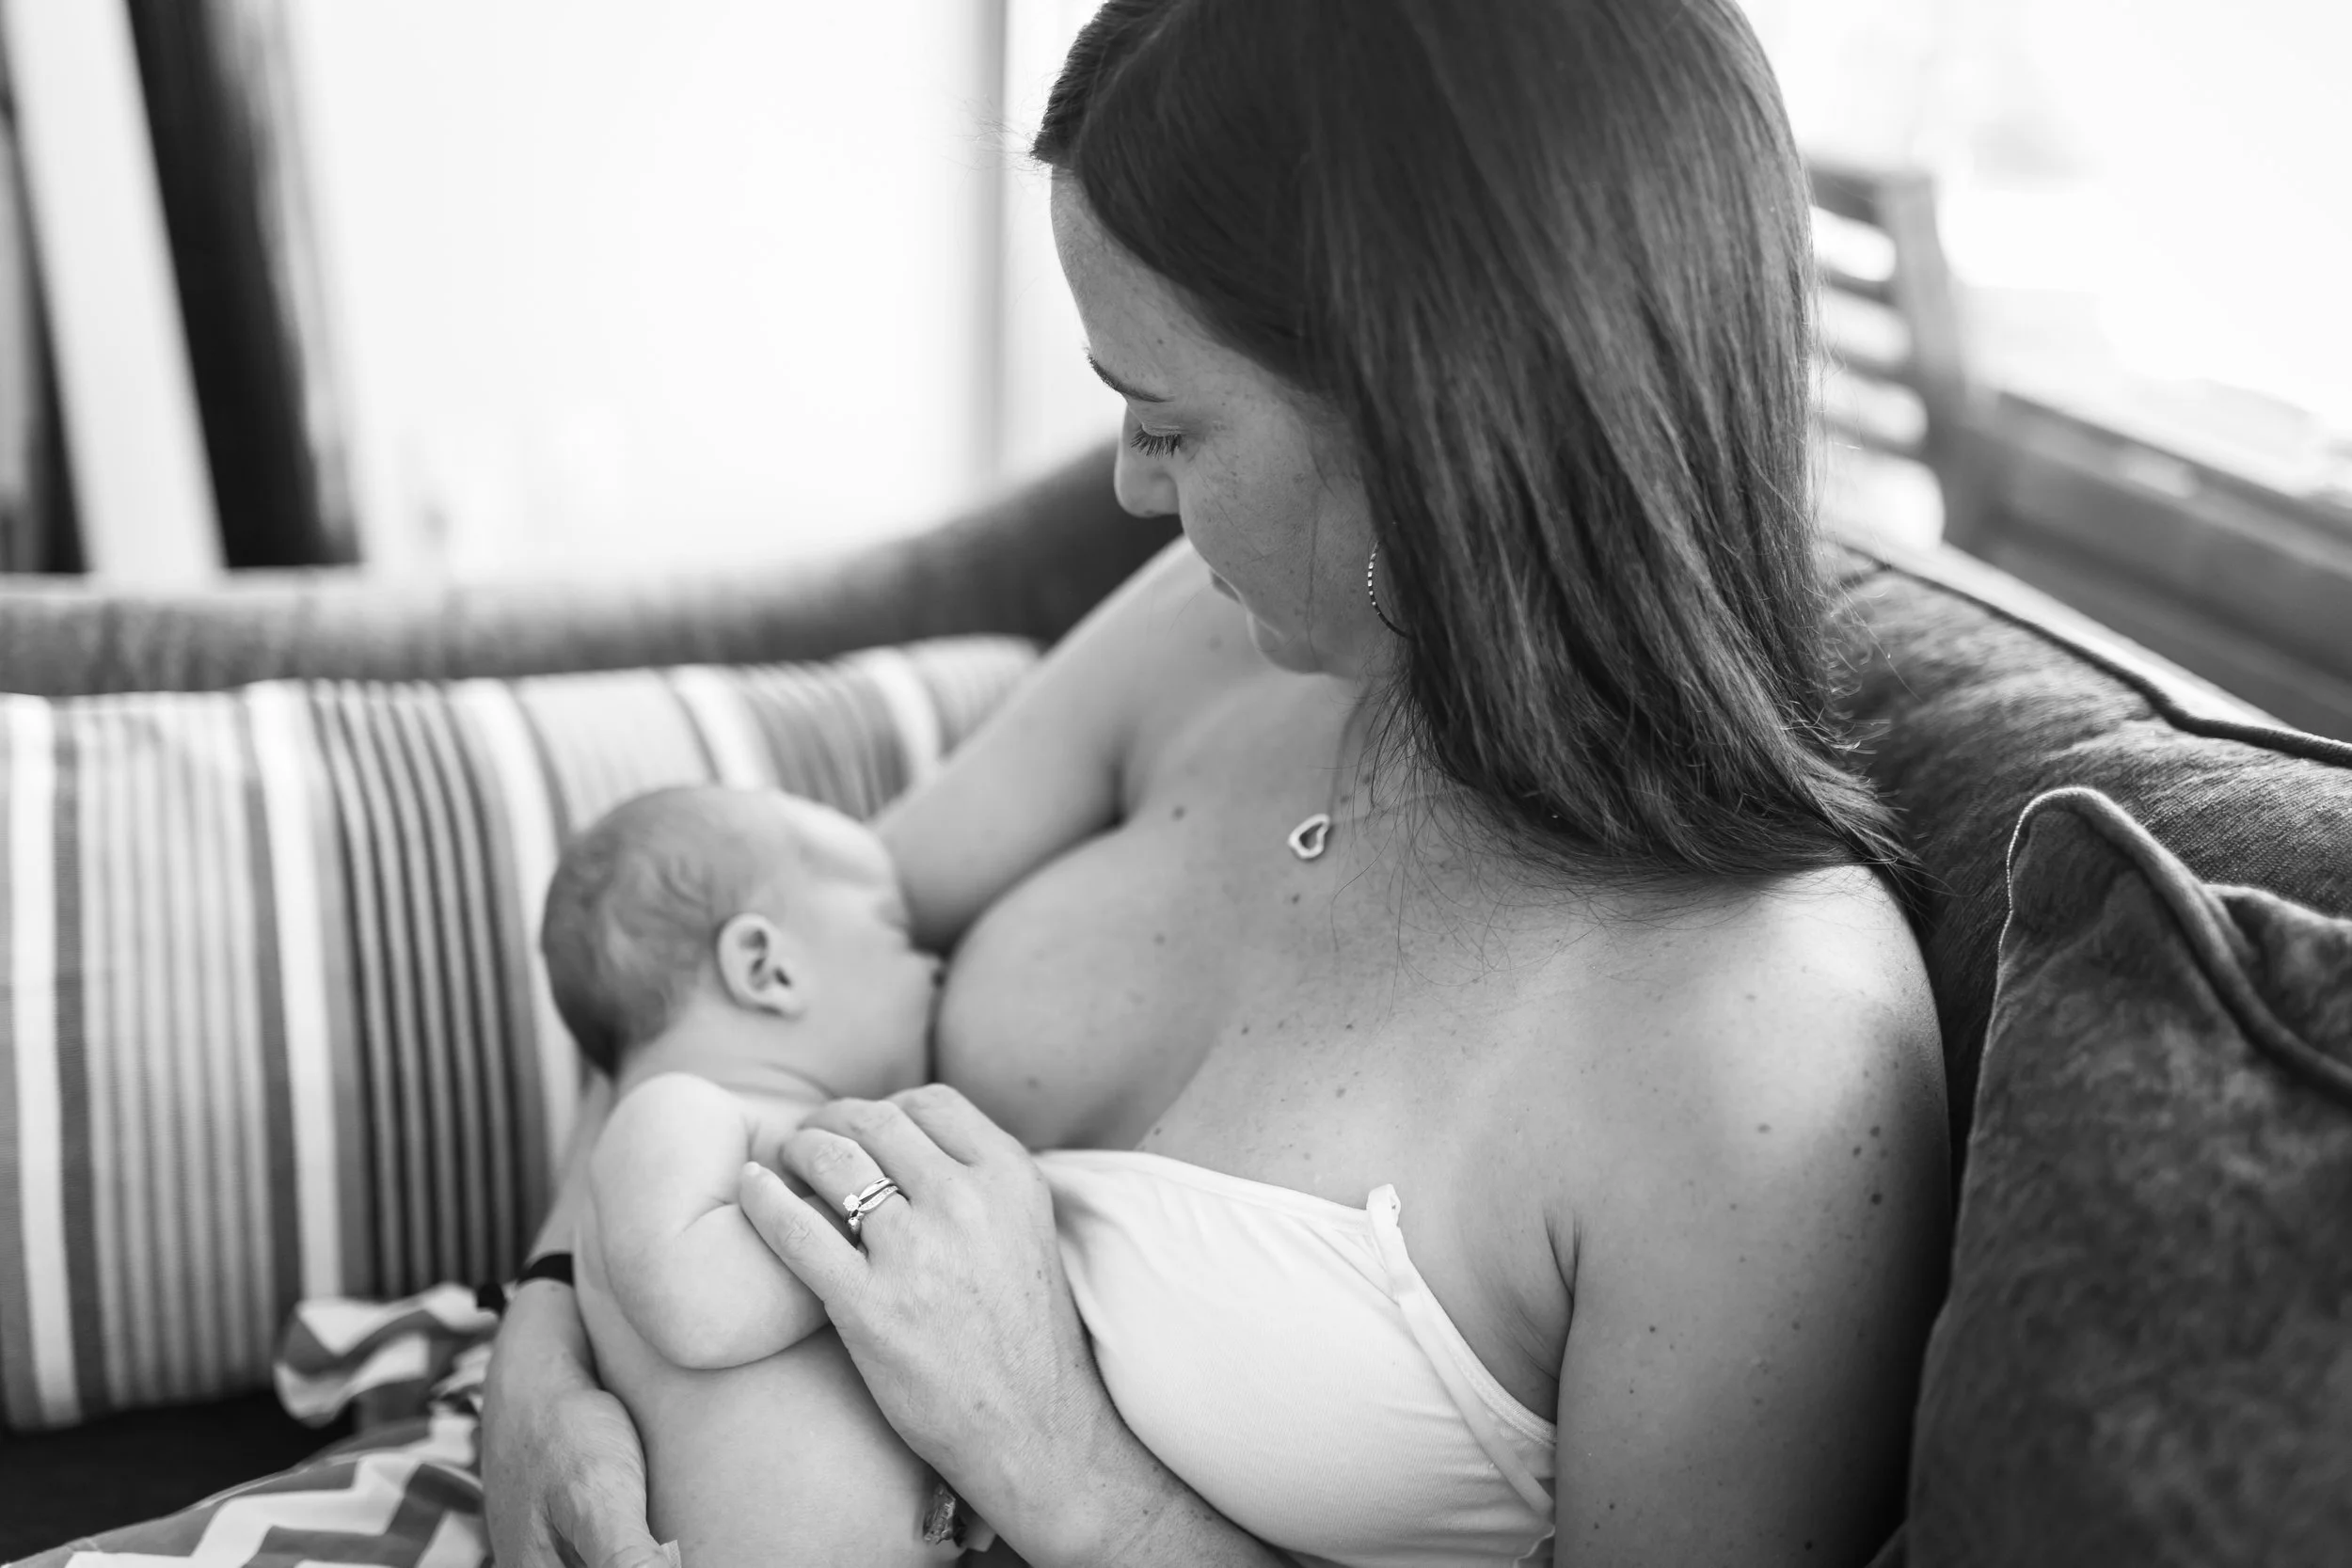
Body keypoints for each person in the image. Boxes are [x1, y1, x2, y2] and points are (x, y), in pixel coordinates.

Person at [485, 3, 1953, 1564]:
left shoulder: (1773, 1066)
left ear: (1428, 421)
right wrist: (548, 1344)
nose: (1126, 482)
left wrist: (1058, 1457)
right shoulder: (1211, 637)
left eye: (1168, 420)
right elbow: (720, 990)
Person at [540, 785, 982, 1565]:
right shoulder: (674, 1110)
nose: (934, 965)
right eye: (897, 932)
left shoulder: (783, 1125)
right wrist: (879, 1223)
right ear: (765, 965)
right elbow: (696, 1307)